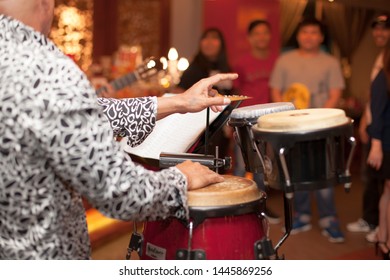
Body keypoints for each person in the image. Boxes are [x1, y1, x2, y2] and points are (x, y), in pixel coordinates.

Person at [0, 0, 238, 259]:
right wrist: (182, 178)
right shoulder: (47, 73)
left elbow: (91, 112)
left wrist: (180, 102)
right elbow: (119, 190)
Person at [269, 17, 345, 242]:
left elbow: (335, 93)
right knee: (297, 171)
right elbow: (275, 89)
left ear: (321, 37)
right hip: (292, 124)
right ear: (299, 35)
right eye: (305, 32)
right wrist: (284, 114)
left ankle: (328, 219)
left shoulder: (330, 62)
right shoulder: (285, 60)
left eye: (314, 32)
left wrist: (319, 118)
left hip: (321, 126)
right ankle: (301, 215)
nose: (309, 36)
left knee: (325, 171)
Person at [346, 13, 390, 243]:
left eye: (385, 29)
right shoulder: (381, 59)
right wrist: (366, 122)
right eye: (377, 29)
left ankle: (380, 227)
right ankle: (374, 223)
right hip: (377, 129)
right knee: (373, 179)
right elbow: (376, 99)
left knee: (383, 184)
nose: (379, 33)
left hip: (381, 132)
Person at [232, 19, 280, 224]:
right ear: (250, 38)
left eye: (265, 33)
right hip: (245, 121)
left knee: (262, 166)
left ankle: (260, 206)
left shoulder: (277, 61)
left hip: (268, 121)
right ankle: (235, 207)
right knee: (242, 166)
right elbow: (234, 94)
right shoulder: (241, 63)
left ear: (270, 36)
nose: (261, 37)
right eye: (256, 33)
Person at [175, 27, 233, 170]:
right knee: (204, 168)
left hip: (221, 127)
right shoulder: (194, 68)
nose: (209, 42)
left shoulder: (226, 67)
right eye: (205, 38)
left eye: (214, 38)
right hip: (201, 131)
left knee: (220, 168)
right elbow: (178, 94)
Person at [367, 35, 390, 259]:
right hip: (387, 142)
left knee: (387, 192)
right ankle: (385, 240)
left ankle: (383, 239)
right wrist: (376, 145)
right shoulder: (383, 76)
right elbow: (377, 112)